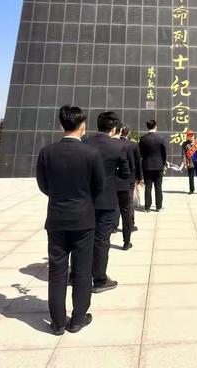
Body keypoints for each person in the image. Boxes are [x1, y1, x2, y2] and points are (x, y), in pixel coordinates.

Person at [36, 105, 105, 335]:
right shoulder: (91, 154)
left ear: (61, 125)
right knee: (82, 269)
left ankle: (57, 323)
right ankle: (77, 319)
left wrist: (60, 197)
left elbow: (44, 185)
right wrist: (83, 201)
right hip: (84, 220)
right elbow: (99, 187)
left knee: (57, 271)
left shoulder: (47, 152)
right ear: (83, 126)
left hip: (56, 218)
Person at [84, 111, 130, 293]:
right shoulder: (118, 147)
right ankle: (99, 279)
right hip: (107, 198)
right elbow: (125, 173)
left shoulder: (85, 143)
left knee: (83, 238)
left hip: (86, 198)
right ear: (113, 129)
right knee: (102, 239)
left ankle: (77, 274)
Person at [116, 125, 142, 250]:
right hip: (129, 180)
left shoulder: (113, 143)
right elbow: (137, 162)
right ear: (129, 133)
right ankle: (129, 229)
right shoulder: (133, 145)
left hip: (113, 180)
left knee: (114, 204)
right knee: (128, 205)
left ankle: (114, 225)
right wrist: (139, 177)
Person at [139, 120, 167, 212]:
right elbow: (164, 154)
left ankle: (147, 207)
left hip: (147, 166)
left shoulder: (143, 139)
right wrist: (163, 164)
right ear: (155, 126)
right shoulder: (160, 138)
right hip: (158, 166)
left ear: (147, 127)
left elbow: (140, 153)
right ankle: (158, 207)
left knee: (148, 187)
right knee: (158, 187)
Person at [182, 130, 197, 195]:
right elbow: (184, 155)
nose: (190, 137)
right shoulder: (185, 144)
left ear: (193, 136)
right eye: (189, 136)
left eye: (191, 136)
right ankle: (191, 190)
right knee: (191, 177)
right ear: (187, 137)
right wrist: (185, 163)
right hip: (190, 162)